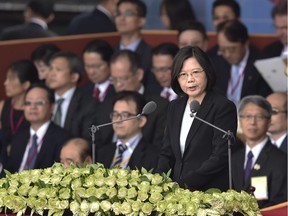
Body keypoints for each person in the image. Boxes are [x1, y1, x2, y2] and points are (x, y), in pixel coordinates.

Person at [156, 46, 238, 192]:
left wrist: (185, 184)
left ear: (207, 72)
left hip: (210, 193)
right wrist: (158, 183)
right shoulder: (175, 107)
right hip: (176, 195)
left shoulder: (223, 107)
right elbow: (167, 153)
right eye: (183, 74)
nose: (190, 80)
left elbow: (220, 156)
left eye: (195, 72)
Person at [89, 49, 168, 150]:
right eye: (114, 79)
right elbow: (97, 145)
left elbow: (159, 149)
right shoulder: (105, 106)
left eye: (124, 78)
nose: (118, 85)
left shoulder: (158, 107)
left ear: (139, 74)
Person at [3, 83, 72, 174]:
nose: (33, 107)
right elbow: (7, 171)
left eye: (39, 103)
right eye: (28, 103)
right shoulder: (18, 136)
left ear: (52, 107)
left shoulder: (63, 139)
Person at [232, 95, 287, 208]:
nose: (252, 122)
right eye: (247, 116)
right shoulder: (234, 158)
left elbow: (280, 203)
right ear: (240, 120)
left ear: (269, 121)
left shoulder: (281, 160)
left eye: (259, 117)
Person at [211, 20, 272, 106]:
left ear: (245, 43)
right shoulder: (214, 59)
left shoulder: (261, 63)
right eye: (222, 49)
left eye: (232, 49)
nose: (227, 55)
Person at [97, 91, 159, 170]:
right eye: (115, 114)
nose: (118, 120)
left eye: (125, 115)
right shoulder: (102, 152)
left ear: (141, 121)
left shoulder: (154, 156)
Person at [45, 51, 97, 141]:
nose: (51, 74)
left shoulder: (88, 104)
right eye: (50, 69)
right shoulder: (44, 98)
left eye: (58, 69)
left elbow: (88, 140)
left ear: (74, 77)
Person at [0, 60, 40, 166]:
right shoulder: (2, 106)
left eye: (11, 79)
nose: (5, 83)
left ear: (26, 84)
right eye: (6, 78)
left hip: (28, 158)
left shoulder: (35, 110)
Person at [114, 0, 157, 92]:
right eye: (118, 13)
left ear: (141, 21)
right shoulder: (110, 53)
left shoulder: (151, 55)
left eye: (128, 13)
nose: (121, 18)